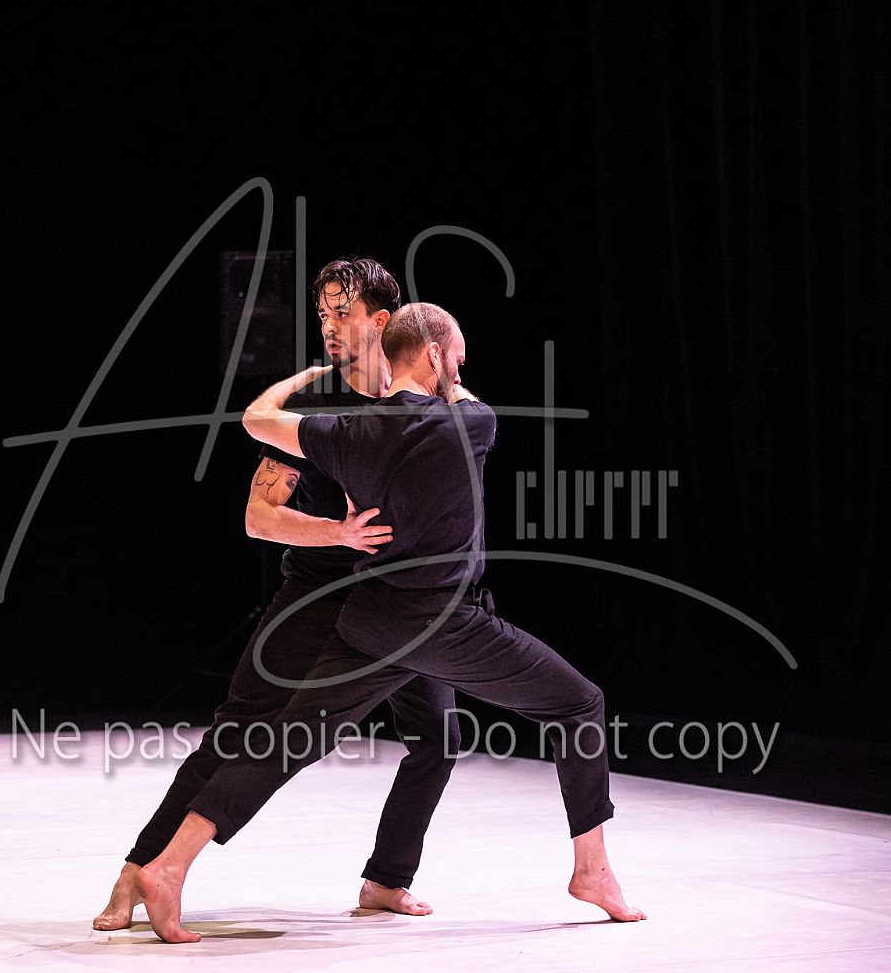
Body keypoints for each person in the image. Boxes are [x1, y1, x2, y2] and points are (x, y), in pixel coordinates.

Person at [132, 302, 645, 943]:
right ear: (433, 355)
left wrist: (299, 382)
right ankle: (592, 870)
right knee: (580, 704)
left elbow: (257, 421)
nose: (460, 370)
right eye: (456, 357)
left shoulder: (345, 432)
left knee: (288, 741)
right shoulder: (470, 423)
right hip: (443, 624)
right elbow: (458, 394)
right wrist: (442, 372)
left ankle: (171, 866)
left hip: (371, 621)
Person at [92, 261, 460, 931]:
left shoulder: (421, 403)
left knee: (437, 739)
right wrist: (338, 532)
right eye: (322, 315)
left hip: (398, 601)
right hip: (319, 592)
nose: (329, 327)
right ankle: (137, 872)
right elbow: (258, 518)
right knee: (239, 731)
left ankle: (386, 880)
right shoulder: (315, 408)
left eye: (342, 313)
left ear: (381, 321)